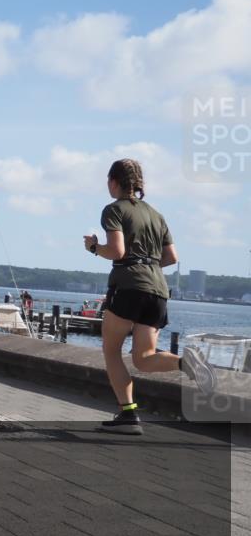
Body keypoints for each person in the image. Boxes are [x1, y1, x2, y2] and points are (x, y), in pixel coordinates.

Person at [86, 158, 214, 435]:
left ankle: (129, 416)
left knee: (111, 350)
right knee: (143, 358)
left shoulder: (113, 209)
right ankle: (186, 363)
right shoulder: (156, 214)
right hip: (157, 289)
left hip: (129, 286)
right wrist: (147, 264)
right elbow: (171, 257)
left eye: (108, 181)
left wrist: (95, 247)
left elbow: (117, 252)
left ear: (115, 182)